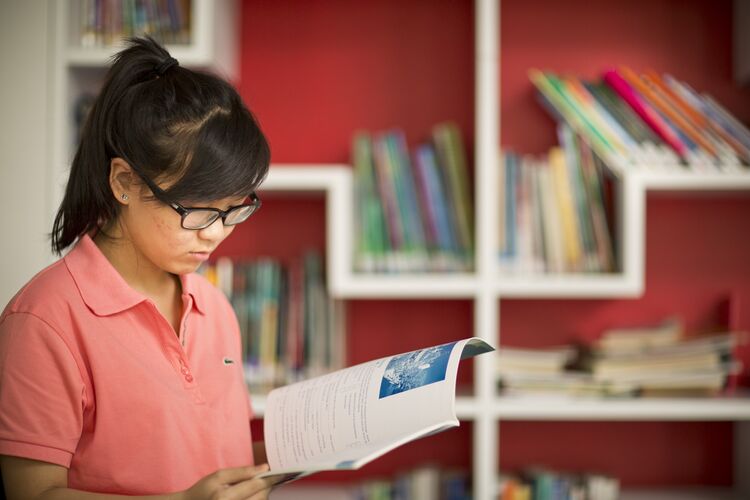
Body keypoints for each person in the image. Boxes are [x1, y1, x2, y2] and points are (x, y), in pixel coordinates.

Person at [0, 36, 278, 499]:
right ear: (125, 181)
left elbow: (207, 456)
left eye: (234, 209)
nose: (215, 232)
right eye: (197, 210)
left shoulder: (213, 306)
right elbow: (33, 493)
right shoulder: (44, 321)